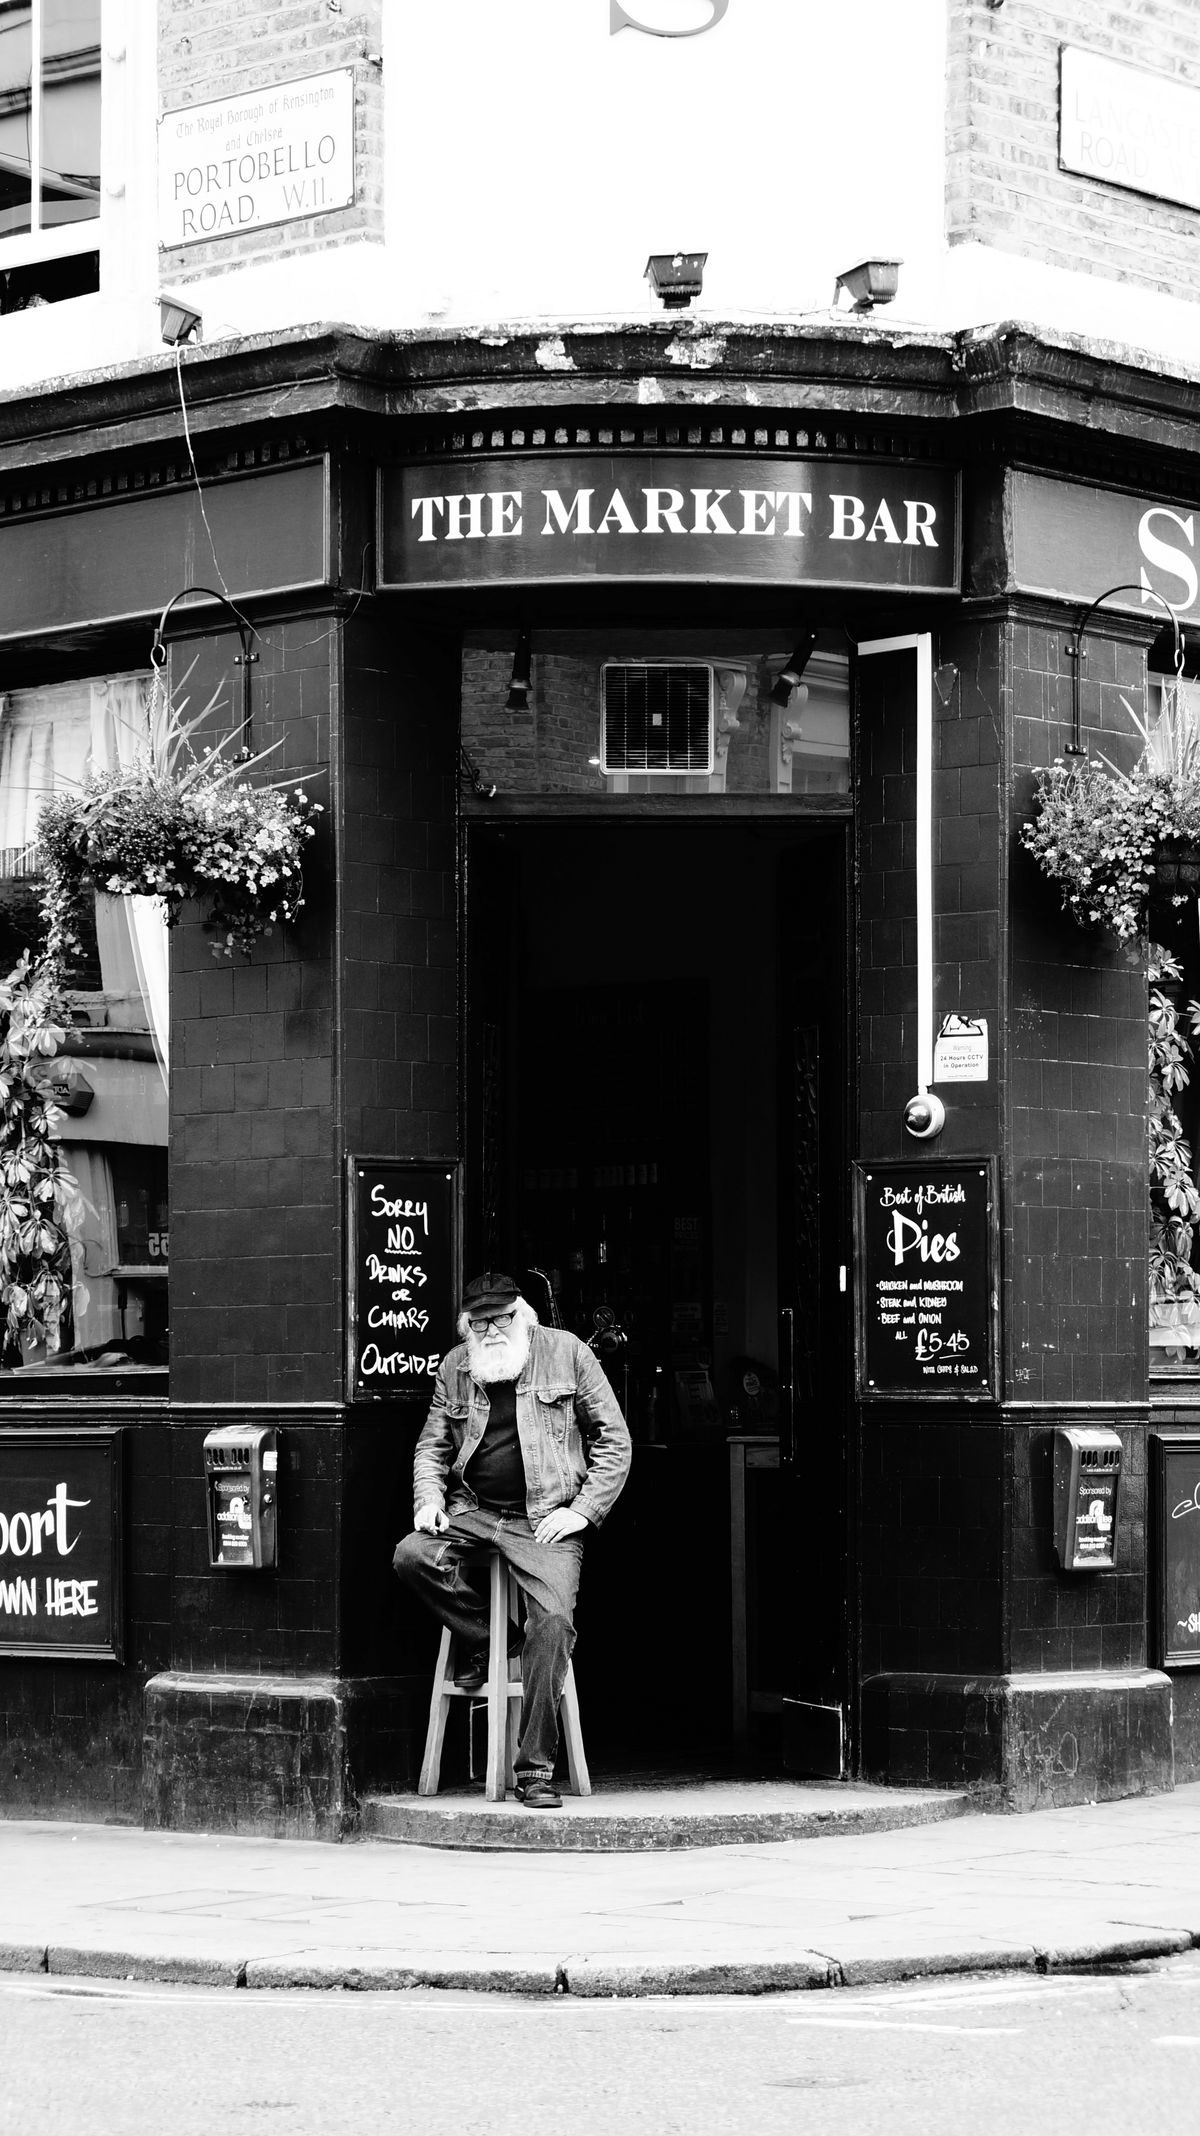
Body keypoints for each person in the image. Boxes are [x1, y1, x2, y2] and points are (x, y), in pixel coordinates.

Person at [393, 1270, 631, 1808]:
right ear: (467, 1328)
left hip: (545, 1518)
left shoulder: (566, 1352)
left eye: (501, 1319)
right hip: (474, 1512)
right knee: (412, 1555)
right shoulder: (456, 1365)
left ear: (523, 1316)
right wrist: (428, 1502)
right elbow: (431, 1447)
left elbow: (614, 1439)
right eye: (480, 1324)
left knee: (553, 1621)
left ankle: (536, 1772)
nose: (491, 1331)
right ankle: (494, 1641)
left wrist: (583, 1511)